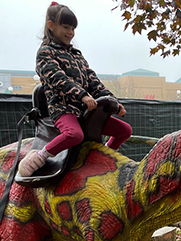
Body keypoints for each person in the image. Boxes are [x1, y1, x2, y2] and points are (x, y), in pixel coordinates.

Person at [19, 2, 132, 177]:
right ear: (51, 25)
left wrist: (114, 103)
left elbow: (93, 80)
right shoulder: (45, 53)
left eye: (73, 28)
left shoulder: (77, 55)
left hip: (84, 110)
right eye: (66, 27)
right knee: (74, 135)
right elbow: (57, 78)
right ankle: (40, 156)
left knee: (125, 130)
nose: (70, 32)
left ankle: (105, 155)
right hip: (63, 109)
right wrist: (82, 96)